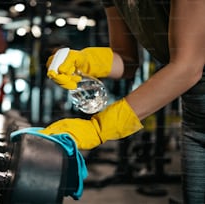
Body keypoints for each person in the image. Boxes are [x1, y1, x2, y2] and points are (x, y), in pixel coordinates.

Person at [39, 1, 205, 203]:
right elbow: (127, 60)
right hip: (195, 117)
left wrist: (99, 127)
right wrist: (83, 61)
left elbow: (188, 67)